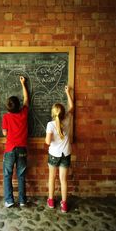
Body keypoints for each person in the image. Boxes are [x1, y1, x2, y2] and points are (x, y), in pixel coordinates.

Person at [45, 85, 73, 213]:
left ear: (53, 113)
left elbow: (47, 142)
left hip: (54, 155)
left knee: (52, 178)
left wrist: (49, 136)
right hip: (65, 154)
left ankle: (51, 201)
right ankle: (64, 204)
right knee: (63, 180)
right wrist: (68, 93)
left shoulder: (50, 125)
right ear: (63, 113)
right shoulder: (67, 120)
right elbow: (71, 107)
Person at [2, 76, 29, 208]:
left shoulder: (6, 117)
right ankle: (23, 200)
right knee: (21, 175)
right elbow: (26, 99)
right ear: (19, 105)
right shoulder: (24, 113)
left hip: (10, 149)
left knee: (7, 174)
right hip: (22, 149)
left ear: (8, 108)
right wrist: (23, 84)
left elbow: (5, 133)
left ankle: (9, 200)